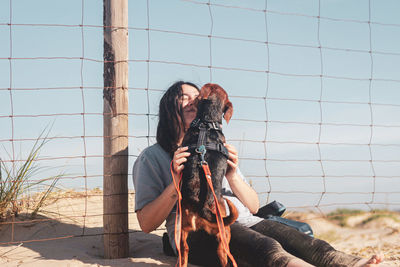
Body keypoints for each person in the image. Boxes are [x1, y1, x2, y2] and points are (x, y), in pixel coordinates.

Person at [133, 81, 386, 267]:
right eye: (183, 97)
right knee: (265, 248)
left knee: (303, 242)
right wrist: (174, 185)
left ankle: (351, 263)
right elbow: (146, 224)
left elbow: (253, 206)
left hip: (243, 218)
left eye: (197, 97)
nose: (193, 101)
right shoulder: (152, 157)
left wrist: (232, 174)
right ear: (169, 106)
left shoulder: (215, 145)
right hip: (195, 228)